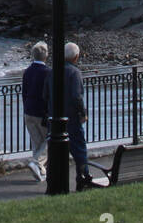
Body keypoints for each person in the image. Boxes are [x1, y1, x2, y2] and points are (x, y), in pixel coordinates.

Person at [43, 42, 92, 190]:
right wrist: (83, 113)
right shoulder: (74, 73)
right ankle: (83, 180)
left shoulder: (52, 72)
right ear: (76, 57)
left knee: (54, 154)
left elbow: (45, 95)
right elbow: (76, 96)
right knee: (80, 151)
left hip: (54, 119)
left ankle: (52, 184)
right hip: (71, 119)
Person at [21, 42, 50, 181]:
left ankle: (40, 172)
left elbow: (24, 92)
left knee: (37, 142)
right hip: (41, 112)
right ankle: (37, 163)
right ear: (46, 55)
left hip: (28, 110)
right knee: (50, 140)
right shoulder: (48, 73)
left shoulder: (27, 71)